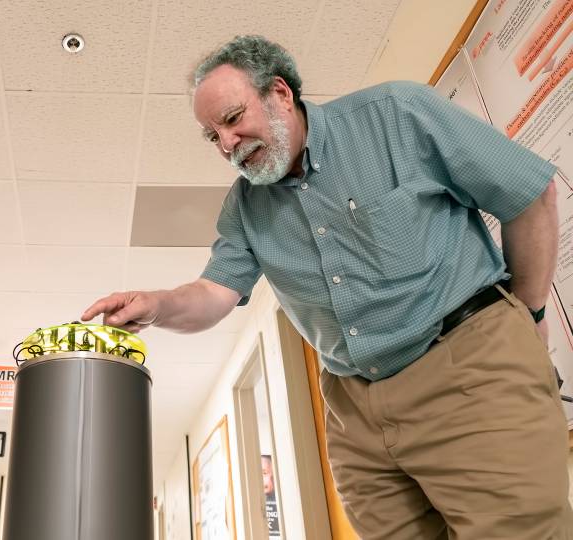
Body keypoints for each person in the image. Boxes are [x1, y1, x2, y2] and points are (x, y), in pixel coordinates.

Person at [82, 34, 569, 538]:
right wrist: (156, 305)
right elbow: (213, 294)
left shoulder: (397, 115)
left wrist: (528, 315)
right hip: (354, 411)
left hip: (465, 370)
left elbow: (529, 194)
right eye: (213, 136)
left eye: (231, 120)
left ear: (280, 94)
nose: (226, 145)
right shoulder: (246, 207)